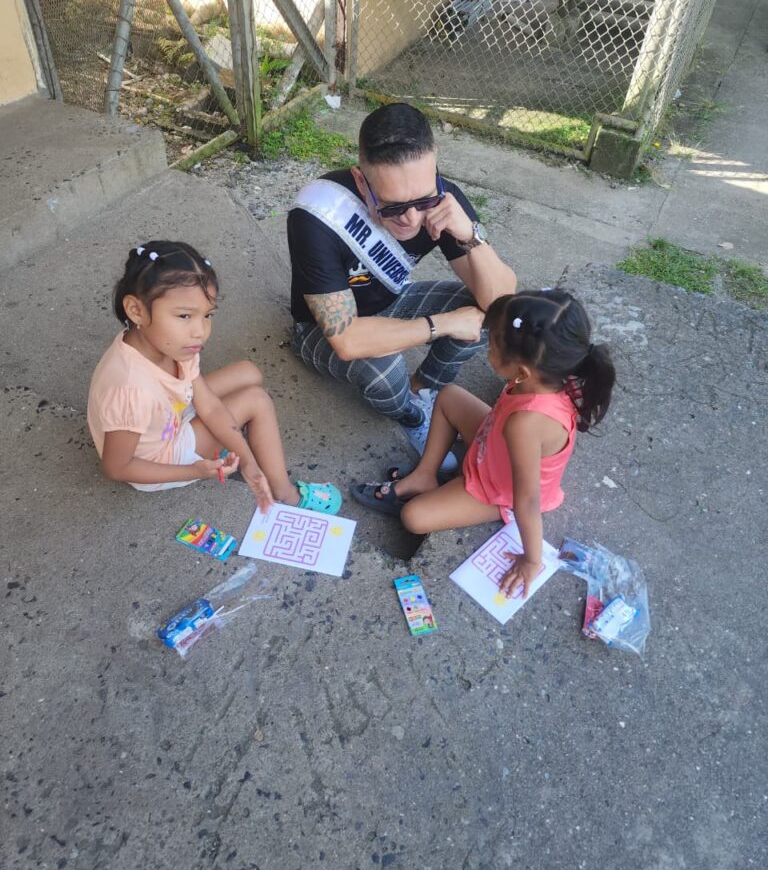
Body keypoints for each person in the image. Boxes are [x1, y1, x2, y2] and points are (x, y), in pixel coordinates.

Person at [288, 102, 518, 472]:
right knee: (382, 369)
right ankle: (411, 415)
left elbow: (504, 301)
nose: (411, 218)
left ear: (434, 163)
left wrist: (469, 236)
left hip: (392, 299)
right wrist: (443, 324)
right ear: (361, 180)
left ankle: (422, 388)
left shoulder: (445, 199)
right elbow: (347, 341)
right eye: (392, 207)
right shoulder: (316, 216)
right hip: (319, 329)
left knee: (492, 316)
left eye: (424, 200)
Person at [352, 289, 616, 598]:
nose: (484, 343)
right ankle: (425, 475)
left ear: (521, 372)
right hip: (493, 442)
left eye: (492, 344)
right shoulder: (548, 375)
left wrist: (531, 560)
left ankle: (446, 483)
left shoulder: (527, 423)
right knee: (448, 396)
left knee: (414, 517)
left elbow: (527, 501)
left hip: (498, 488)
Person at [87, 240, 341, 514]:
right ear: (136, 310)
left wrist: (248, 461)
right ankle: (285, 493)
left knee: (249, 372)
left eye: (207, 315)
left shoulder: (166, 342)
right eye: (184, 316)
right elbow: (117, 467)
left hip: (166, 416)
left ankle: (226, 446)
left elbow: (208, 406)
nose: (201, 331)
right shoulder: (132, 390)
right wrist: (194, 470)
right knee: (256, 400)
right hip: (160, 459)